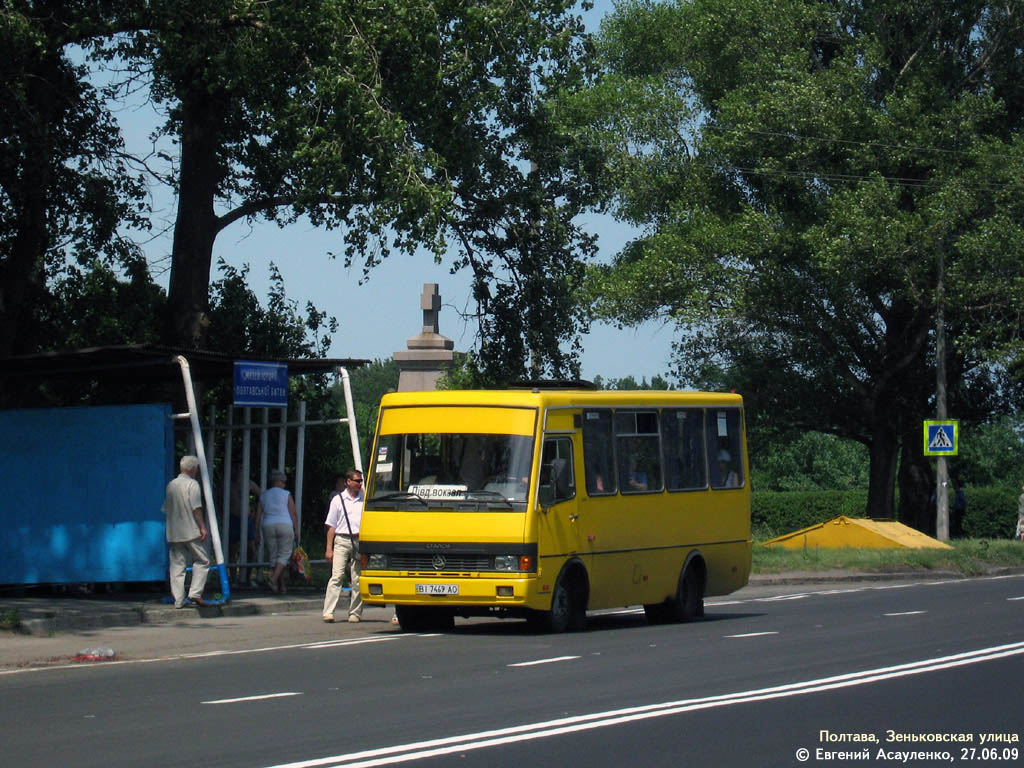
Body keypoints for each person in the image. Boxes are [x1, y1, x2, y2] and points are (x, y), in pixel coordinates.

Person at [163, 455, 210, 608]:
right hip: (190, 530)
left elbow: (166, 508)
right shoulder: (193, 484)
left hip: (174, 531)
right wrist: (202, 526)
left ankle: (178, 600)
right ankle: (195, 593)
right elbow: (196, 508)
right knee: (202, 560)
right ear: (193, 469)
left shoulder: (171, 485)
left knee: (177, 566)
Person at [322, 469, 364, 623]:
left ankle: (355, 613)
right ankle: (328, 612)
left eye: (361, 481)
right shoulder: (338, 500)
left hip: (359, 540)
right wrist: (329, 549)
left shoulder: (364, 499)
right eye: (357, 481)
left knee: (357, 578)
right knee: (337, 576)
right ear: (348, 482)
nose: (360, 484)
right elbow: (331, 526)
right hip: (342, 540)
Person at [255, 469, 299, 594]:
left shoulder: (264, 495)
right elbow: (293, 513)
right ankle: (273, 579)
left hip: (268, 525)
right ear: (278, 482)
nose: (284, 485)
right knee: (284, 555)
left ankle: (281, 586)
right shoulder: (286, 494)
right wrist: (296, 529)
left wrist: (257, 531)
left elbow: (258, 515)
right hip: (284, 524)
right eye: (283, 482)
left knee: (274, 556)